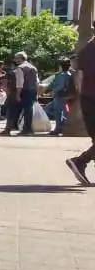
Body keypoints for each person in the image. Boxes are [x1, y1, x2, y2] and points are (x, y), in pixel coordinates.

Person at [67, 32, 95, 185]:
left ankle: (80, 162)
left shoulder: (85, 50)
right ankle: (80, 161)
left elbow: (79, 78)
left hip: (87, 99)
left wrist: (81, 97)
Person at [13, 52, 39, 136]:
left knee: (26, 110)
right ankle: (28, 128)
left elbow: (20, 83)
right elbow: (37, 82)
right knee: (29, 110)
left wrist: (17, 94)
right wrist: (37, 93)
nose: (15, 60)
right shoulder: (33, 68)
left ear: (21, 58)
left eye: (16, 58)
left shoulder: (20, 68)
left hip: (25, 90)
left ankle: (26, 129)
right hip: (32, 90)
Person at [48, 58, 75, 136]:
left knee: (57, 113)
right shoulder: (70, 74)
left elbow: (60, 86)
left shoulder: (61, 75)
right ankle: (62, 126)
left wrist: (53, 91)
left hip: (60, 95)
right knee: (65, 112)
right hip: (68, 96)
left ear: (61, 66)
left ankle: (58, 128)